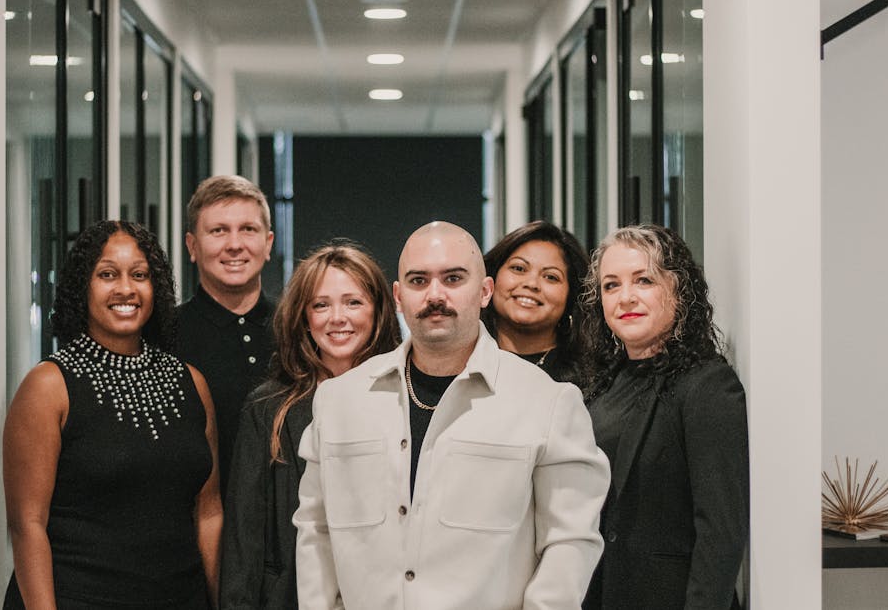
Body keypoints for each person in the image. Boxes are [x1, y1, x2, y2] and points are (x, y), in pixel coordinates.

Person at [294, 221, 610, 610]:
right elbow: (315, 532)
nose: (435, 294)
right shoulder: (339, 401)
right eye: (418, 280)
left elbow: (570, 540)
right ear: (398, 295)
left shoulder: (547, 402)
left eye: (453, 278)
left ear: (484, 291)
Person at [3, 220, 222, 609]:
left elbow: (208, 513)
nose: (126, 288)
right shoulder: (48, 386)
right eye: (107, 274)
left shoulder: (192, 383)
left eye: (140, 275)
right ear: (81, 288)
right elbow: (27, 526)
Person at [220, 240, 400, 610]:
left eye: (353, 302)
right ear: (304, 317)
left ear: (379, 311)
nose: (337, 317)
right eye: (321, 304)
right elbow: (245, 537)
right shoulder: (267, 408)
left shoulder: (407, 400)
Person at [579, 224, 748, 610]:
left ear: (679, 290)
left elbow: (721, 532)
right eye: (611, 285)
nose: (626, 297)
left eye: (644, 280)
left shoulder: (708, 385)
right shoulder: (605, 382)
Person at [176, 174, 276, 497]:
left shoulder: (299, 330)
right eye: (218, 231)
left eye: (248, 229)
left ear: (269, 243)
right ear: (193, 246)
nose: (235, 244)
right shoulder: (163, 336)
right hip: (190, 531)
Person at [482, 220, 592, 389]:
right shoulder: (460, 359)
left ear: (571, 295)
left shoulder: (592, 378)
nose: (532, 283)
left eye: (551, 277)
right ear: (492, 279)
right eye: (519, 268)